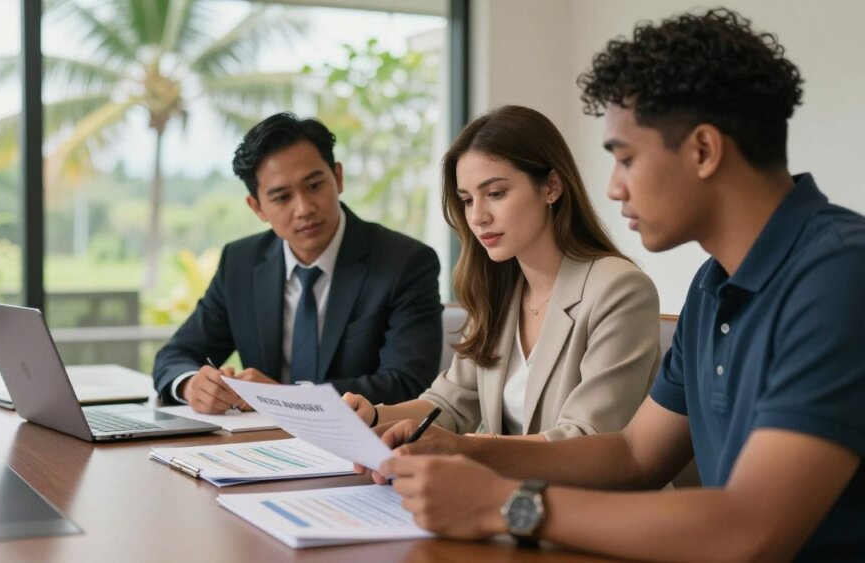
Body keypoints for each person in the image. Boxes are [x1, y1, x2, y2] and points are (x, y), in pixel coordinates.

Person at [367, 9, 865, 561]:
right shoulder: (711, 286)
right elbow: (633, 454)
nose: (614, 187)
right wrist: (464, 450)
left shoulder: (841, 274)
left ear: (703, 150)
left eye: (625, 158)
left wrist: (503, 504)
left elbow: (751, 528)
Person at [343, 105, 660, 443]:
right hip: (509, 492)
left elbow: (586, 437)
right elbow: (448, 404)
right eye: (467, 200)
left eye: (495, 194)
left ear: (551, 186)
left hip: (591, 494)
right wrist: (375, 414)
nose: (478, 217)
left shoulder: (619, 290)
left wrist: (467, 449)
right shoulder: (498, 289)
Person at [152, 113, 443, 412]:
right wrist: (191, 385)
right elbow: (175, 356)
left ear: (338, 178)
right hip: (258, 445)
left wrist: (288, 397)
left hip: (363, 447)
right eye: (281, 198)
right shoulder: (240, 263)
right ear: (257, 207)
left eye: (314, 186)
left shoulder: (405, 263)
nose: (304, 209)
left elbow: (407, 383)